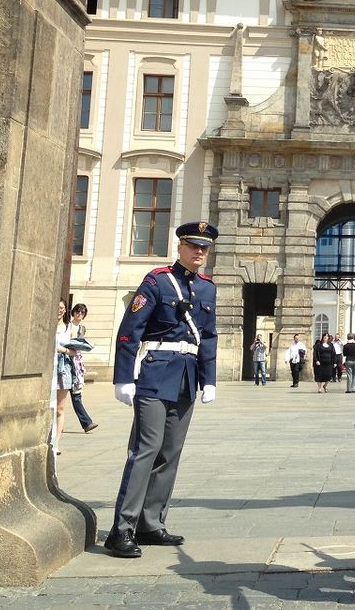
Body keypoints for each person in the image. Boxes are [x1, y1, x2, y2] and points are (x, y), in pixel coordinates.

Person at [105, 221, 220, 558]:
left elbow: (208, 338)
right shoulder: (157, 281)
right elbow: (130, 330)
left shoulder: (208, 289)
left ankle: (151, 523)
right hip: (155, 373)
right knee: (146, 449)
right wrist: (123, 377)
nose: (199, 252)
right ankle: (122, 529)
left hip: (186, 377)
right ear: (180, 247)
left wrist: (209, 379)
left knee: (170, 452)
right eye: (193, 246)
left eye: (204, 248)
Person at [52, 301, 94, 453]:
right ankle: (86, 422)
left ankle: (55, 443)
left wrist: (61, 349)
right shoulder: (51, 324)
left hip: (65, 368)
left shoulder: (74, 328)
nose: (79, 314)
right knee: (50, 405)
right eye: (78, 311)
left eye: (82, 312)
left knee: (63, 406)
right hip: (49, 367)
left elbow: (74, 351)